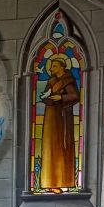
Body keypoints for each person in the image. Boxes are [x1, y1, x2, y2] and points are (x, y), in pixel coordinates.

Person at [38, 53, 80, 190]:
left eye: (54, 66)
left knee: (61, 146)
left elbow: (74, 96)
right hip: (50, 116)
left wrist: (60, 98)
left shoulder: (67, 80)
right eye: (51, 66)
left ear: (61, 66)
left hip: (62, 118)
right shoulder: (51, 81)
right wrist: (46, 97)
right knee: (49, 146)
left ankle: (63, 181)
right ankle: (49, 182)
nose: (51, 69)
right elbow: (46, 98)